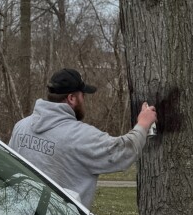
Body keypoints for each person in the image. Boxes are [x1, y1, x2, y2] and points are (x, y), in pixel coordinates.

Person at [10, 68, 157, 207]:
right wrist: (143, 124)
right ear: (72, 98)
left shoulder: (21, 127)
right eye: (83, 95)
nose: (84, 100)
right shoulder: (79, 136)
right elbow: (123, 151)